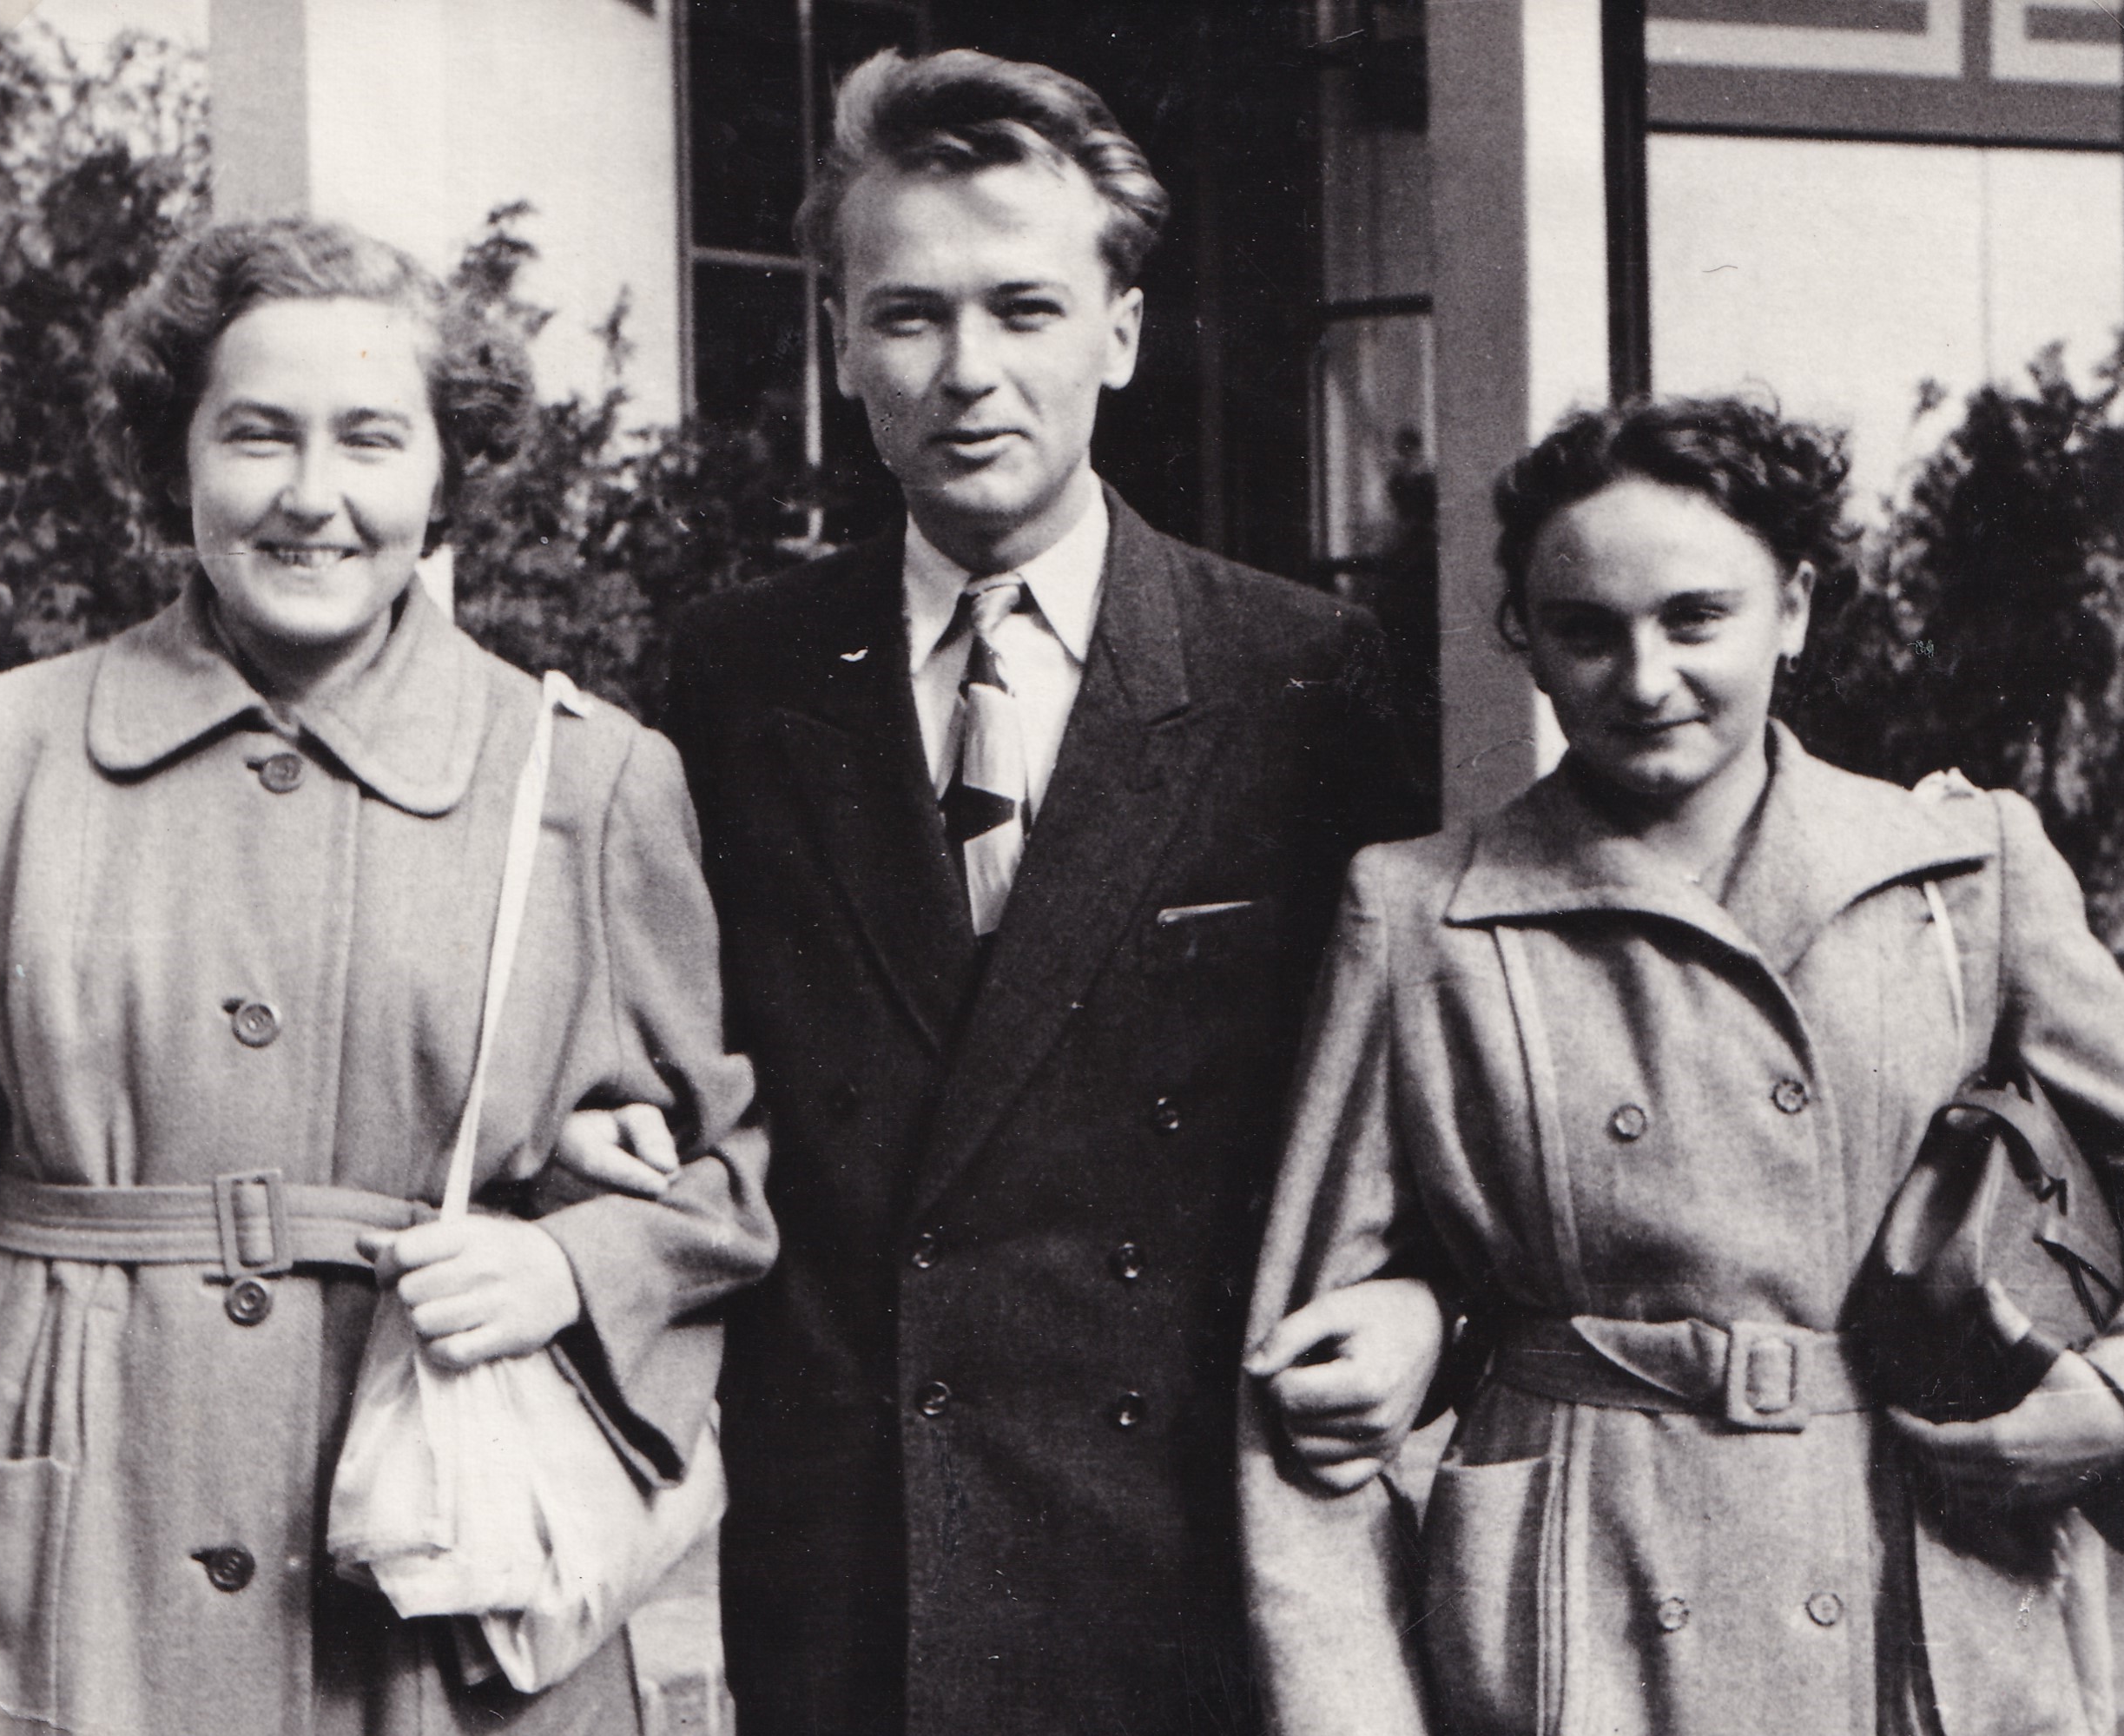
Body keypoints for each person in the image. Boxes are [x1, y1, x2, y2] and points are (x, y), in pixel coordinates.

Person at [554, 44, 1430, 1736]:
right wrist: (603, 1132)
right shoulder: (736, 675)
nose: (968, 372)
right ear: (840, 342)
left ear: (1121, 329)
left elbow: (1423, 1106)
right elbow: (666, 1062)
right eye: (909, 315)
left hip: (1181, 1555)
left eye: (1025, 309)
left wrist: (1422, 1308)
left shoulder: (1298, 672)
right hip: (855, 1565)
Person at [0, 217, 774, 1735]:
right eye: (256, 435)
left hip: (420, 1558)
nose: (312, 494)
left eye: (370, 437)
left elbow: (725, 1186)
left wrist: (570, 1268)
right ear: (175, 458)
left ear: (445, 473)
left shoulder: (586, 776)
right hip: (65, 1541)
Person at [1241, 393, 2124, 1736]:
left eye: (1695, 618)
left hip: (1921, 1597)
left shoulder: (1961, 876)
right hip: (1585, 1611)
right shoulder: (1423, 912)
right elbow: (1303, 1406)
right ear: (1526, 642)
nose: (1644, 680)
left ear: (1795, 609)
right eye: (1585, 631)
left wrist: (2112, 1402)